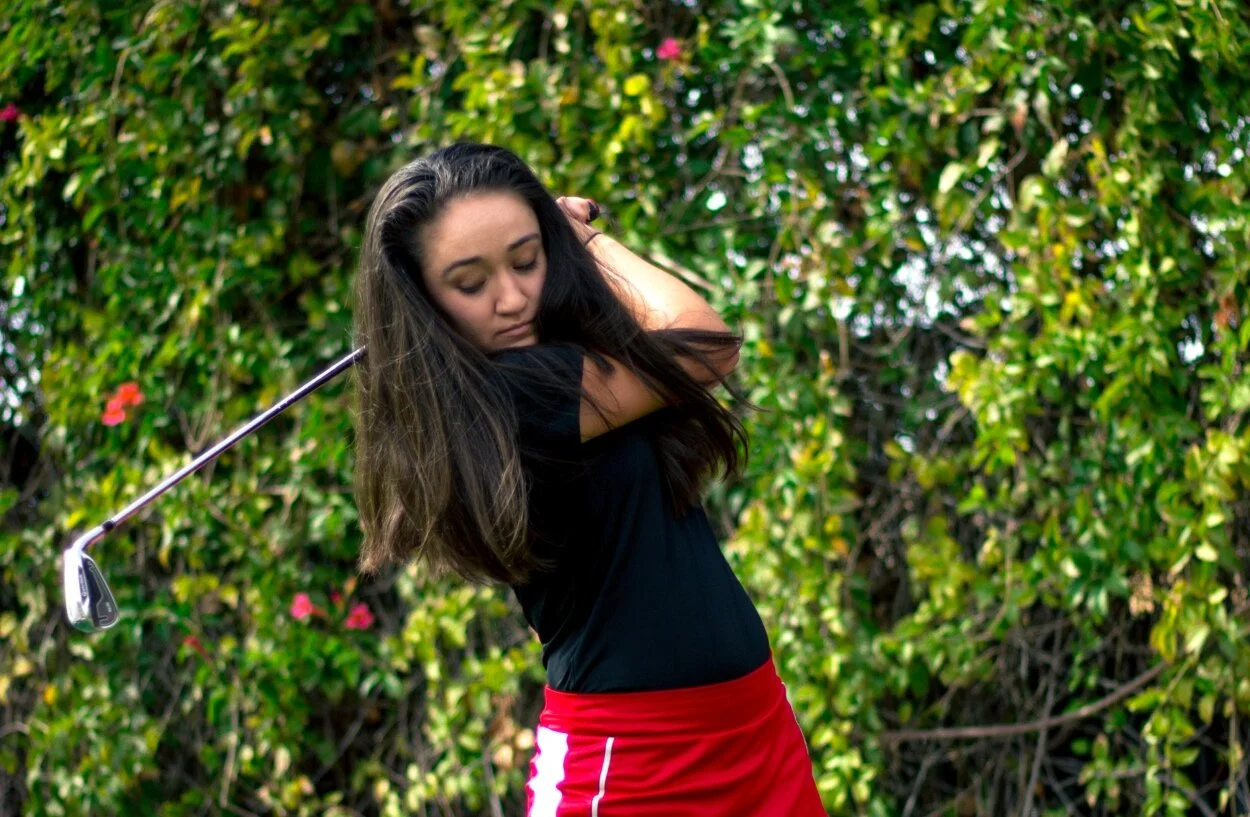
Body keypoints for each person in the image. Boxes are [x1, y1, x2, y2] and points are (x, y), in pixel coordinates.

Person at [351, 142, 824, 816]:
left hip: (754, 725)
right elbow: (706, 344)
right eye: (469, 281)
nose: (512, 297)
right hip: (633, 766)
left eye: (525, 260)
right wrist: (581, 238)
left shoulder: (565, 361)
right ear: (423, 298)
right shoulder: (507, 397)